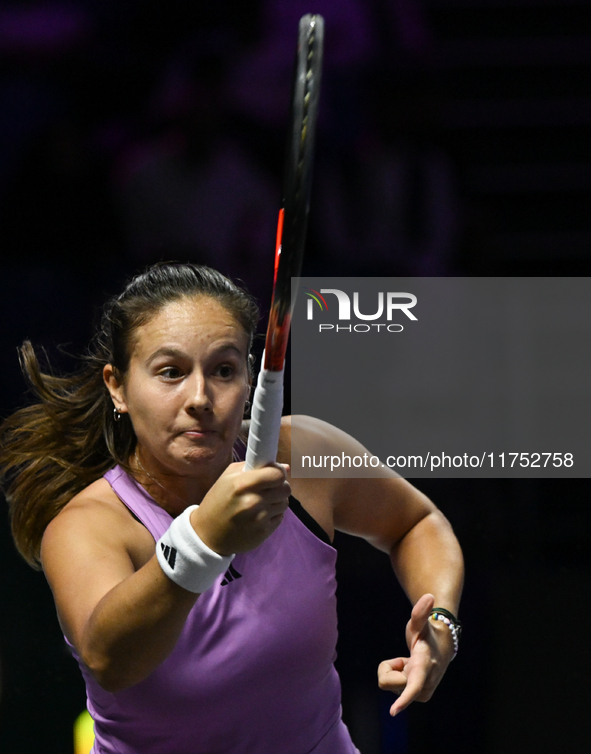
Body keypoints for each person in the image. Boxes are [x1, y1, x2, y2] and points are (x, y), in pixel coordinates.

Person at [0, 263, 463, 754]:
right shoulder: (89, 524)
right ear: (117, 387)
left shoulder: (301, 455)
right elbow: (110, 660)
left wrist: (441, 625)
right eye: (171, 372)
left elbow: (416, 522)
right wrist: (202, 539)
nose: (200, 398)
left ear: (250, 377)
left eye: (223, 370)